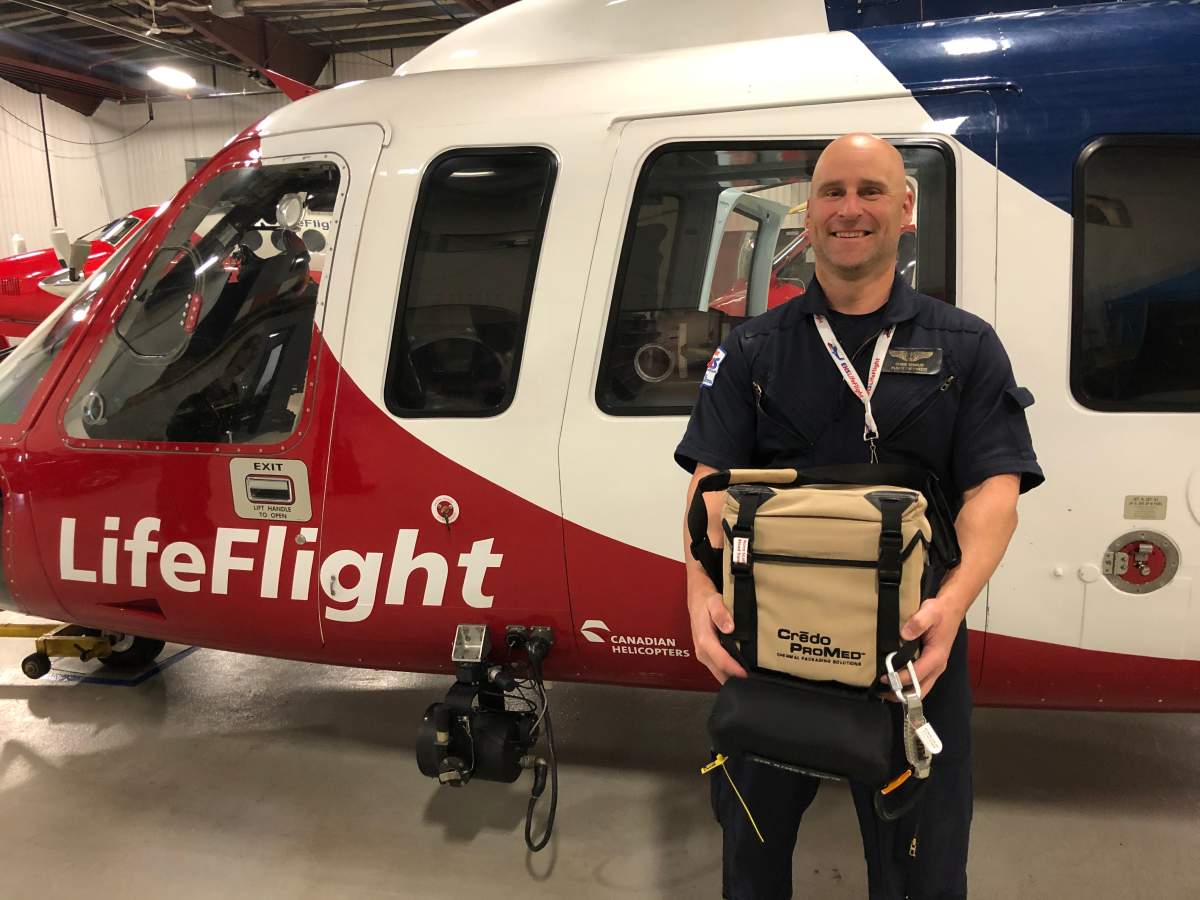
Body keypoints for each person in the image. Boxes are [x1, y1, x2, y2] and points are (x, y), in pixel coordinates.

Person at [675, 133, 1044, 900]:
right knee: (751, 860)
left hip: (910, 655)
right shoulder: (752, 349)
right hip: (770, 652)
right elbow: (710, 486)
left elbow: (995, 492)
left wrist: (952, 606)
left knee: (920, 869)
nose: (850, 209)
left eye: (871, 191)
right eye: (832, 192)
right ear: (808, 214)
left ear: (906, 210)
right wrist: (698, 595)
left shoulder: (966, 347)